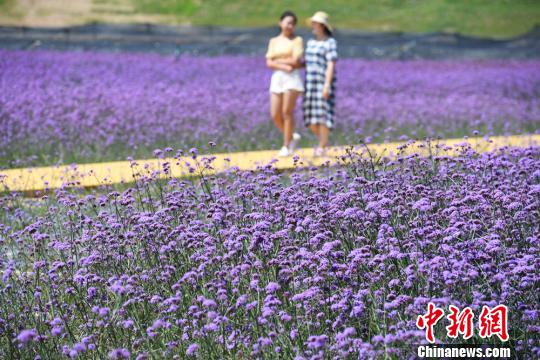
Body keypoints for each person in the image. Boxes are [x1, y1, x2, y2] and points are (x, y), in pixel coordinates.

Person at [265, 10, 304, 157]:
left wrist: (278, 61)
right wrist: (284, 65)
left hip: (292, 79)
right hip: (278, 77)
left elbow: (296, 61)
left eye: (293, 23)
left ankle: (286, 145)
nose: (290, 26)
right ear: (280, 23)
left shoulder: (297, 40)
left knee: (287, 112)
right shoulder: (273, 41)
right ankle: (291, 136)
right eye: (288, 22)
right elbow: (269, 62)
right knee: (275, 114)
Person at [303, 11, 337, 157]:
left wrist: (327, 85)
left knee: (323, 115)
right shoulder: (310, 43)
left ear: (322, 26)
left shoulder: (330, 42)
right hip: (310, 83)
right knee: (310, 117)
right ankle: (323, 142)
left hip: (323, 82)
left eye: (315, 23)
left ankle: (322, 146)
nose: (312, 26)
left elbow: (331, 64)